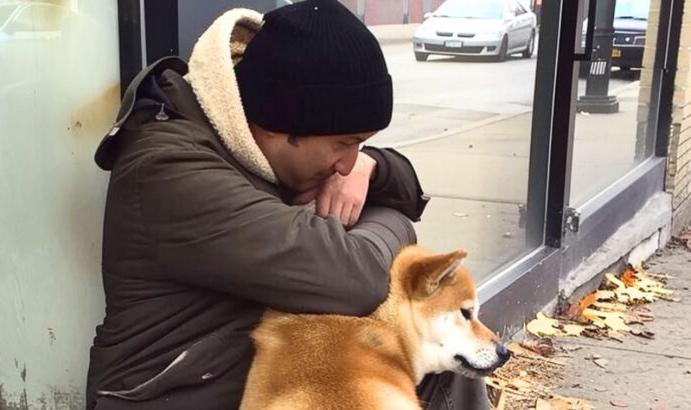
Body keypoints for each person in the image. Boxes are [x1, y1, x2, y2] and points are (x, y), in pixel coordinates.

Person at [86, 0, 489, 409]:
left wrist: (373, 167)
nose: (347, 164)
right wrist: (397, 228)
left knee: (445, 362)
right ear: (282, 124)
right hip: (181, 395)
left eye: (361, 144)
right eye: (345, 143)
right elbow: (355, 279)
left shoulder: (258, 144)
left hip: (265, 376)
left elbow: (402, 188)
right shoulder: (172, 171)